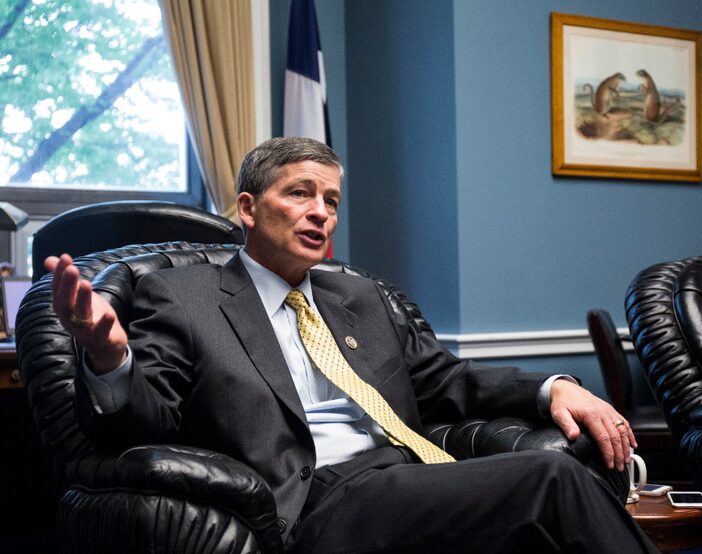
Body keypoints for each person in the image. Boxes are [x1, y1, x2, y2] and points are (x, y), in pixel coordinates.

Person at [46, 137, 657, 553]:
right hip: (315, 497)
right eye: (300, 194)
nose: (321, 214)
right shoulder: (182, 295)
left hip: (407, 477)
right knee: (551, 481)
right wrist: (109, 357)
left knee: (562, 477)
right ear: (248, 209)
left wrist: (559, 387)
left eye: (331, 202)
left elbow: (447, 380)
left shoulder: (356, 295)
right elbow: (147, 419)